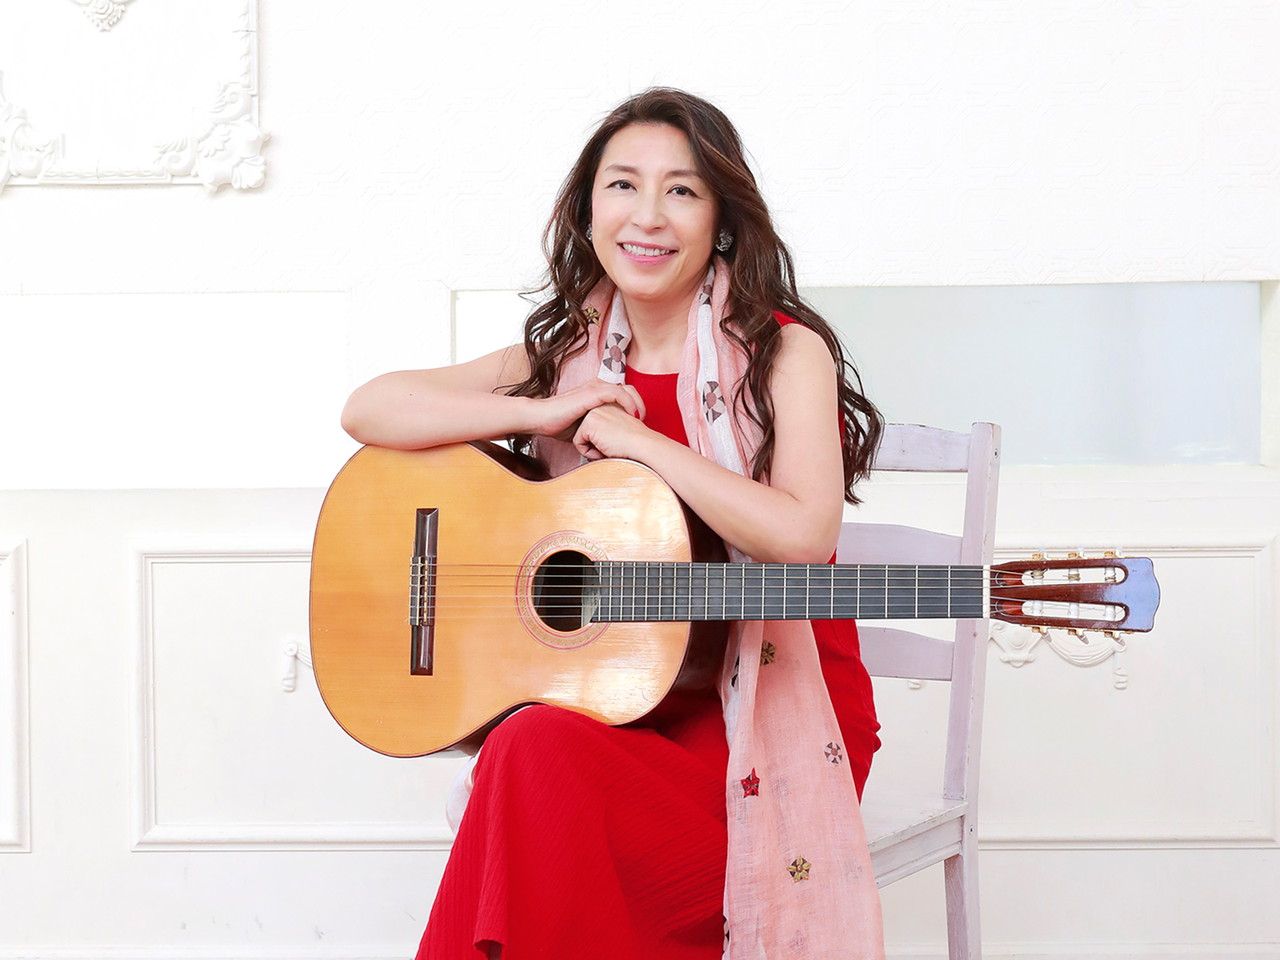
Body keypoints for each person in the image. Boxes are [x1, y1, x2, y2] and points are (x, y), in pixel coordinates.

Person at [342, 88, 886, 960]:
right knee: (532, 747)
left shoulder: (787, 352)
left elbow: (802, 537)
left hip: (764, 721)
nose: (648, 216)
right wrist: (546, 410)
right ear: (588, 210)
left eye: (682, 191)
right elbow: (370, 409)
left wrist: (642, 443)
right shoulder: (569, 354)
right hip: (617, 703)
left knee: (535, 765)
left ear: (723, 220)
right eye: (623, 185)